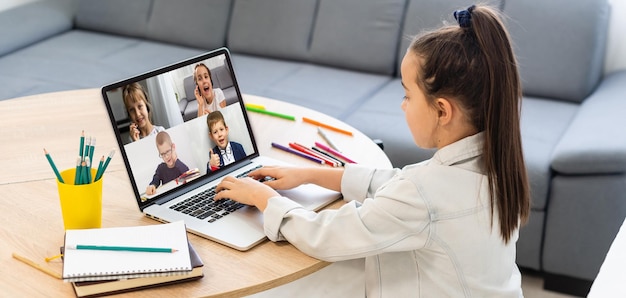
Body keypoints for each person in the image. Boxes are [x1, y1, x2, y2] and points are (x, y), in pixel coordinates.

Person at [214, 4, 530, 297]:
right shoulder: (496, 163)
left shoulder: (425, 194)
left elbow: (329, 236)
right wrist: (310, 174)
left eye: (408, 95)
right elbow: (399, 183)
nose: (402, 105)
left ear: (443, 111)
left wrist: (264, 199)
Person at [146, 131, 189, 195]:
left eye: (168, 151)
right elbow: (155, 180)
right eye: (162, 154)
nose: (166, 156)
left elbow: (189, 175)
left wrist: (176, 160)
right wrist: (152, 186)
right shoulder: (161, 168)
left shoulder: (180, 166)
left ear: (173, 147)